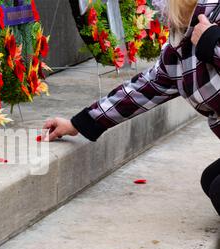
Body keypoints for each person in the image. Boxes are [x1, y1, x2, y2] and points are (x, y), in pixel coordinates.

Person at [43, 0, 220, 215]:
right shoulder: (181, 46)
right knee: (211, 180)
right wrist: (78, 123)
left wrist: (213, 43)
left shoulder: (211, 25)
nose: (158, 8)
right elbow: (141, 90)